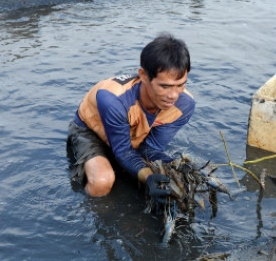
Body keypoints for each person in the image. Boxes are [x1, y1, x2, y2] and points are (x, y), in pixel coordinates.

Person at [67, 33, 195, 202]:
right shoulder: (113, 100)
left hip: (133, 137)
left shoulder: (184, 105)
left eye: (181, 85)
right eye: (165, 86)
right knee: (102, 181)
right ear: (143, 75)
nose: (173, 95)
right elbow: (123, 151)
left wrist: (177, 166)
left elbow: (150, 148)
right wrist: (148, 177)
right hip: (92, 132)